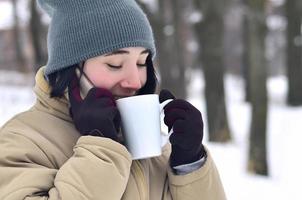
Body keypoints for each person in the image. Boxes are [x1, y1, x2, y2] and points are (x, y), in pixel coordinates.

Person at [0, 0, 226, 199]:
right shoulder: (22, 142)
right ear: (70, 69)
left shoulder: (156, 147)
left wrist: (190, 164)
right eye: (114, 64)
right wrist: (101, 150)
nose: (135, 81)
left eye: (141, 63)